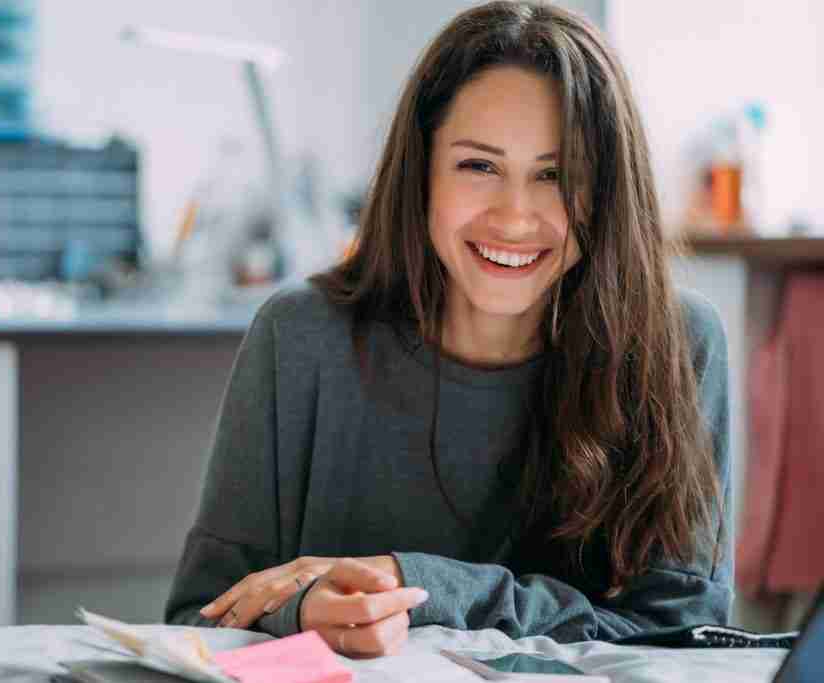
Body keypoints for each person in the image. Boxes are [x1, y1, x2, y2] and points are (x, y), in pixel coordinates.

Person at [164, 0, 732, 658]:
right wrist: (297, 611)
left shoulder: (677, 343)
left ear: (605, 191)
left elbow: (685, 635)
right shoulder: (299, 337)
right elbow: (194, 623)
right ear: (423, 170)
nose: (515, 217)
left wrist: (417, 581)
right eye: (478, 166)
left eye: (556, 175)